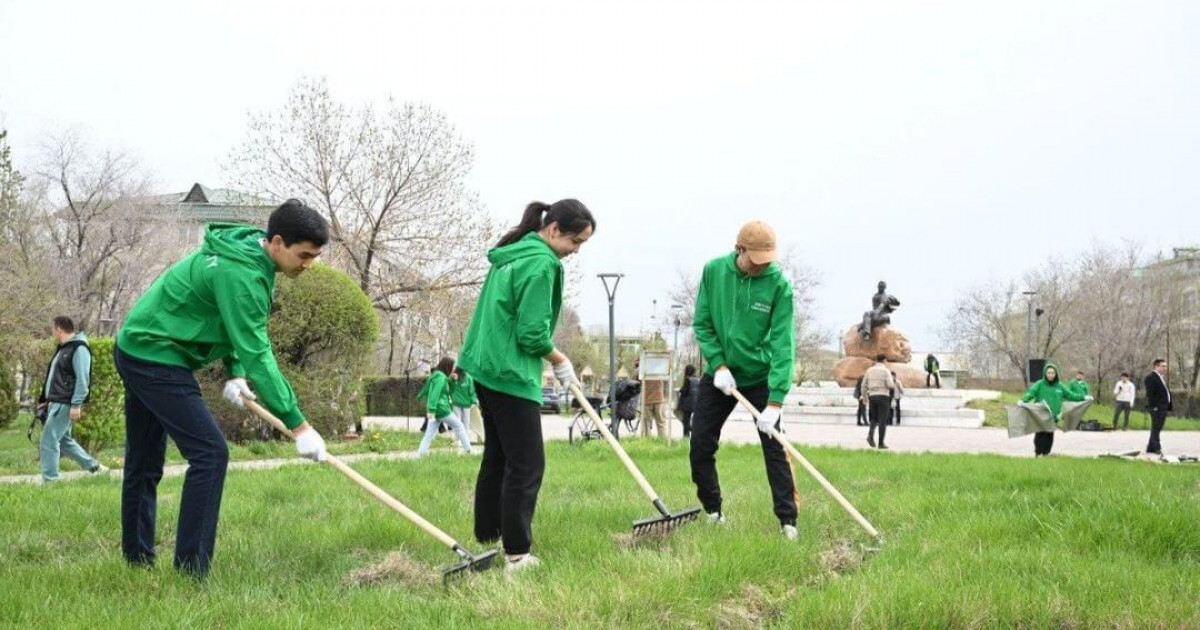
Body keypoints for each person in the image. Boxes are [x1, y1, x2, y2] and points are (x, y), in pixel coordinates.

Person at [114, 199, 330, 578]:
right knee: (210, 454)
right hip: (154, 354)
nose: (309, 264)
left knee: (145, 462)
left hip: (143, 346)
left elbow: (226, 319)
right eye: (305, 255)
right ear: (277, 242)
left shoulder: (251, 256)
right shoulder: (242, 272)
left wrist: (234, 372)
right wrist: (299, 425)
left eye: (314, 257)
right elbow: (258, 350)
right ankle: (190, 572)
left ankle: (137, 561)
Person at [458, 199, 595, 573]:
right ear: (553, 231)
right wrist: (560, 360)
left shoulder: (511, 253)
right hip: (510, 372)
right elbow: (532, 334)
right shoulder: (542, 262)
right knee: (527, 463)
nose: (575, 252)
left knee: (499, 456)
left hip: (484, 365)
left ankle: (488, 536)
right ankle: (517, 553)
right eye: (575, 242)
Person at [690, 220, 800, 541]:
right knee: (700, 445)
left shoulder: (779, 286)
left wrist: (775, 401)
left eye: (767, 260)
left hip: (759, 378)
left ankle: (788, 522)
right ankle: (713, 511)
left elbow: (783, 345)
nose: (762, 267)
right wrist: (719, 365)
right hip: (720, 377)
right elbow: (703, 323)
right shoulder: (713, 272)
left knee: (776, 449)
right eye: (755, 260)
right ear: (739, 249)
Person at [37, 316, 106, 482]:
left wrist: (76, 405)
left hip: (65, 403)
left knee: (48, 440)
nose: (52, 332)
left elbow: (83, 379)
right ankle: (95, 468)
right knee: (65, 441)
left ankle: (50, 480)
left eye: (53, 329)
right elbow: (54, 377)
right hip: (56, 401)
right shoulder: (64, 348)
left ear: (59, 329)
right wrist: (44, 399)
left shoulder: (79, 348)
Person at [1020, 362, 1086, 456]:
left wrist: (1083, 397)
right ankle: (1038, 453)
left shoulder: (1060, 386)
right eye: (1048, 373)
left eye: (1052, 373)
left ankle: (1046, 454)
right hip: (1041, 415)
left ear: (1056, 374)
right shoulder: (1040, 384)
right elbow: (1031, 393)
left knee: (1049, 435)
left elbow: (1071, 395)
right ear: (1045, 374)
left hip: (1053, 417)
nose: (1050, 375)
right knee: (1040, 434)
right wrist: (1023, 400)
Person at [416, 358, 474, 457]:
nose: (453, 369)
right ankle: (468, 451)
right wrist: (432, 410)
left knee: (429, 435)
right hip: (442, 409)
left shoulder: (437, 375)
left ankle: (419, 456)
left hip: (435, 411)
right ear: (448, 366)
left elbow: (448, 391)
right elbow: (435, 394)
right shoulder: (441, 378)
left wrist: (453, 381)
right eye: (452, 367)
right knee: (459, 426)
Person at [861, 355, 894, 449]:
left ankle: (870, 435)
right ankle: (881, 443)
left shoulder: (869, 370)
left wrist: (865, 398)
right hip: (883, 396)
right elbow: (890, 385)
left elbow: (863, 385)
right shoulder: (885, 371)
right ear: (884, 360)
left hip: (872, 396)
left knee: (874, 419)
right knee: (882, 420)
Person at [1143, 359, 1172, 455]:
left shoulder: (1160, 377)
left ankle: (1150, 448)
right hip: (1156, 407)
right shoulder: (1150, 377)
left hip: (1163, 407)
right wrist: (1154, 406)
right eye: (1163, 366)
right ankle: (1157, 448)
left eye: (1165, 366)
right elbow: (1150, 394)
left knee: (1158, 427)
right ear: (1156, 366)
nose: (1165, 368)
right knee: (1156, 427)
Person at [450, 366, 479, 437]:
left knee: (465, 421)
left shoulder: (468, 378)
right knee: (458, 421)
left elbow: (472, 390)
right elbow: (450, 388)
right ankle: (457, 438)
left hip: (466, 404)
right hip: (456, 403)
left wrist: (474, 401)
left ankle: (464, 438)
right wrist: (453, 380)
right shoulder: (453, 378)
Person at [640, 371, 667, 439]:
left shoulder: (643, 370)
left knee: (646, 423)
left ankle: (647, 440)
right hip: (659, 400)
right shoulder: (661, 370)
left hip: (646, 400)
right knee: (661, 423)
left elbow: (635, 378)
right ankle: (662, 440)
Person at [675, 364, 699, 437]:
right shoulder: (698, 379)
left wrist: (680, 390)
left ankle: (687, 436)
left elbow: (684, 391)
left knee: (685, 421)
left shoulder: (688, 379)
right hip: (695, 403)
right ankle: (694, 432)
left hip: (687, 404)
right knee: (691, 421)